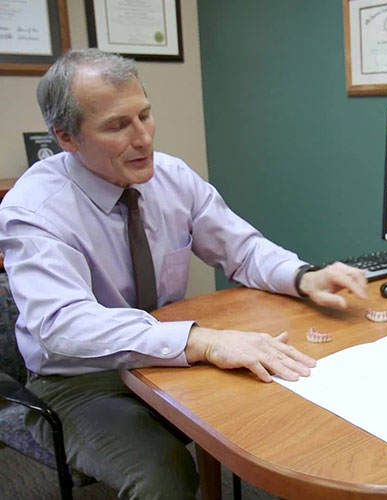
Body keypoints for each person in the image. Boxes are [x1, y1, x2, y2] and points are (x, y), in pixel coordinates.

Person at [0, 48, 367, 499]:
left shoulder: (171, 178)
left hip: (167, 359)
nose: (143, 138)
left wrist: (302, 276)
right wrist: (202, 340)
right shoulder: (34, 210)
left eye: (145, 115)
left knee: (287, 408)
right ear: (67, 137)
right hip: (79, 381)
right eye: (118, 125)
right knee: (165, 476)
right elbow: (63, 325)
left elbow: (243, 249)